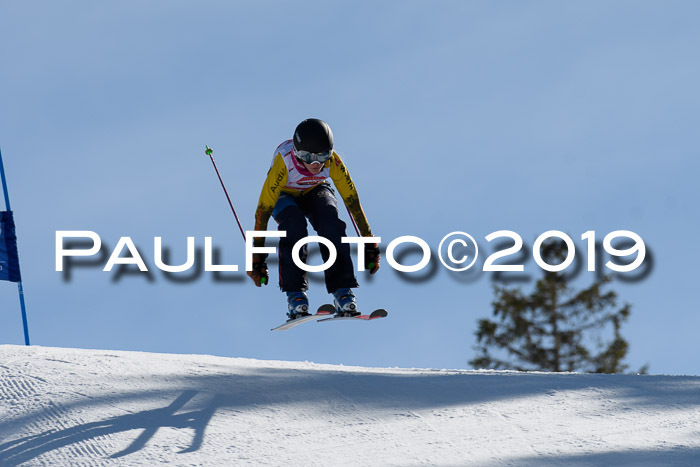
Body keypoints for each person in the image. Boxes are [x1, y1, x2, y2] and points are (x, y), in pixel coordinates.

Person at [247, 118, 380, 321]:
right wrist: (257, 255)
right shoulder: (284, 163)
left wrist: (369, 242)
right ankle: (295, 296)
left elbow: (352, 202)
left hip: (315, 190)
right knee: (294, 226)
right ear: (296, 153)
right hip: (284, 195)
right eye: (307, 156)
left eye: (322, 156)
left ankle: (342, 290)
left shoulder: (333, 162)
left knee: (331, 223)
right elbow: (263, 211)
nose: (315, 164)